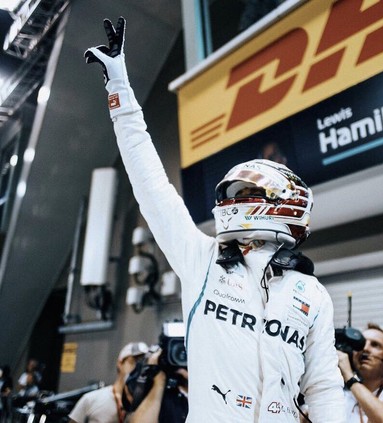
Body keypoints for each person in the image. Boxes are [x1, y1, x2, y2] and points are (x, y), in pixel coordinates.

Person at [85, 17, 346, 422]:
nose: (231, 203)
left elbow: (324, 387)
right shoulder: (202, 259)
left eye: (244, 194)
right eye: (231, 194)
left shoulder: (311, 293)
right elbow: (151, 186)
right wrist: (119, 88)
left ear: (284, 203)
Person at [68, 342, 148, 423]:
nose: (138, 369)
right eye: (134, 361)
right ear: (120, 363)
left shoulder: (146, 406)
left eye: (144, 364)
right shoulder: (90, 400)